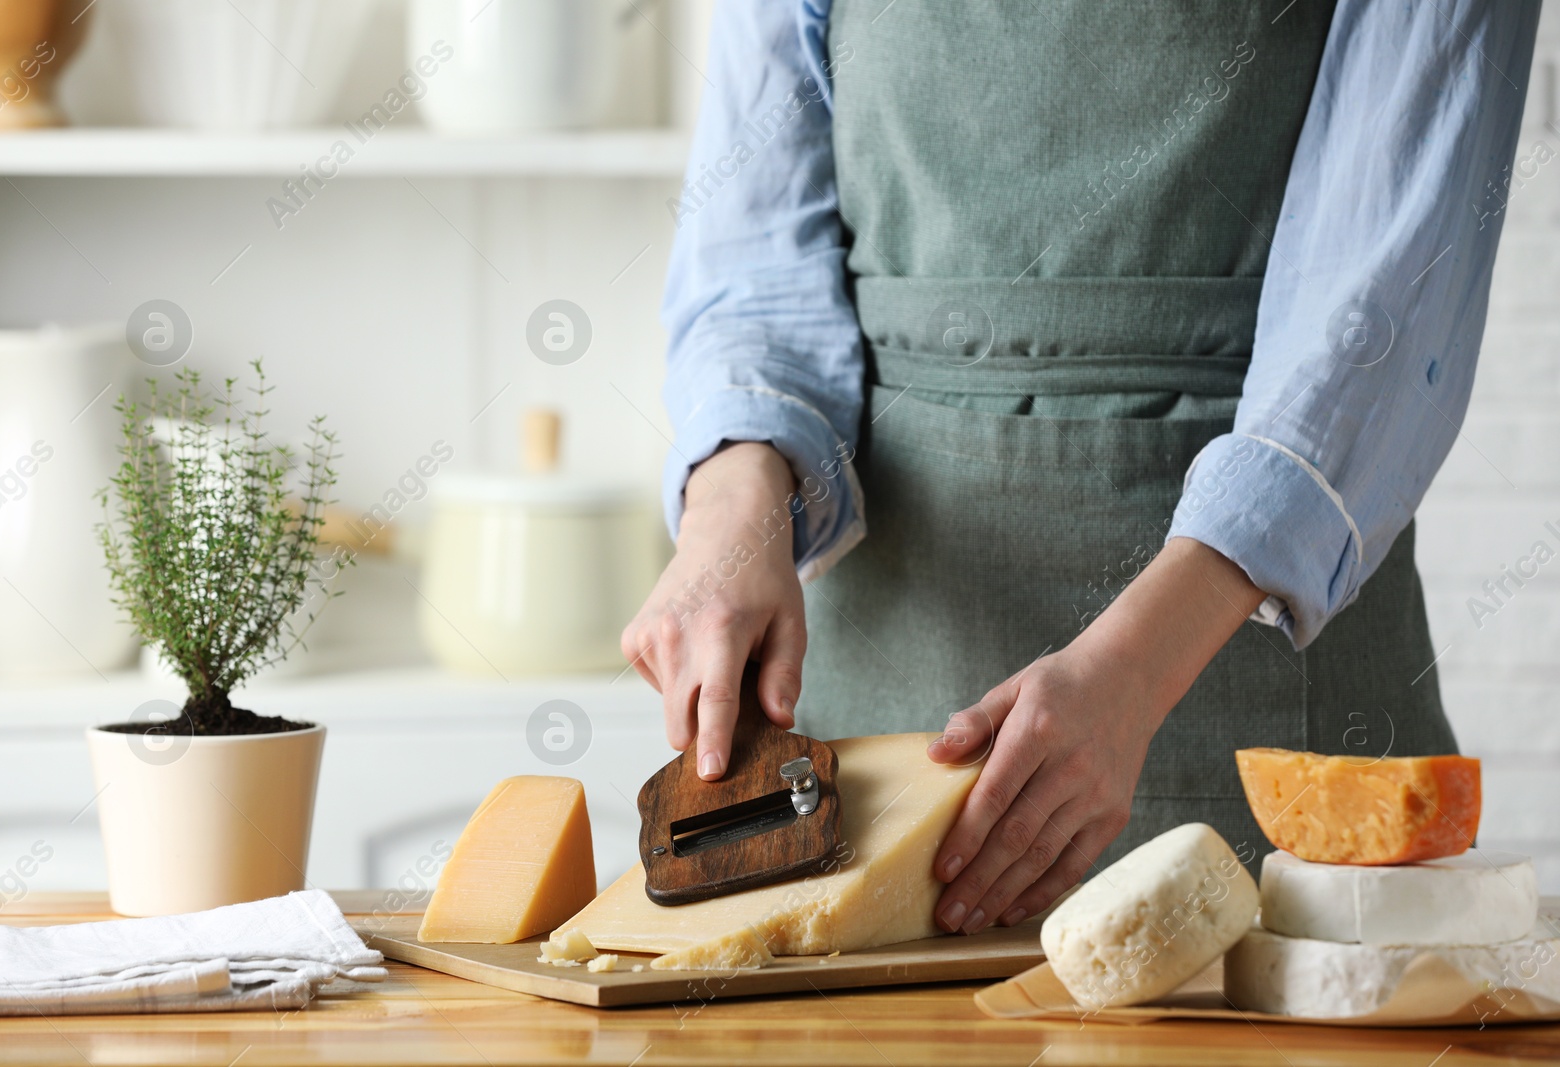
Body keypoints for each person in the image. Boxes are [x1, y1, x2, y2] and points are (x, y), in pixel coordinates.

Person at [621, 0, 1541, 936]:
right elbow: (754, 263)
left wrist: (1137, 672)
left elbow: (1384, 302)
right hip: (876, 696)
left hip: (1263, 706)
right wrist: (730, 515)